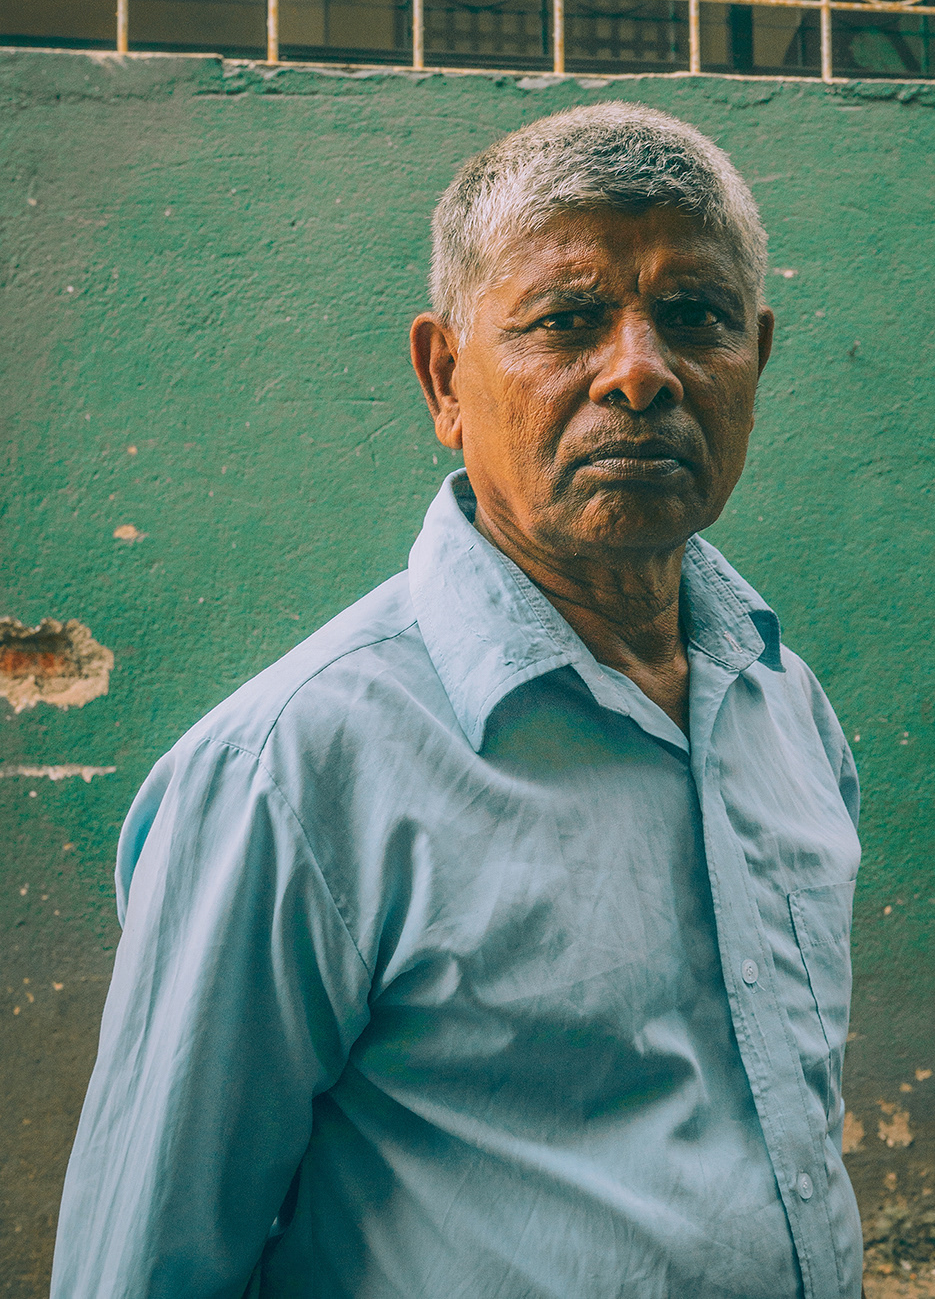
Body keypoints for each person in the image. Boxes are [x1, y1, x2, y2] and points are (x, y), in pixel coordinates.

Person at [51, 103, 863, 1299]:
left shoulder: (783, 708)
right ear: (444, 375)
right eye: (568, 320)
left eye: (695, 318)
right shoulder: (295, 767)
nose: (641, 371)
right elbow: (143, 1260)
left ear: (757, 358)